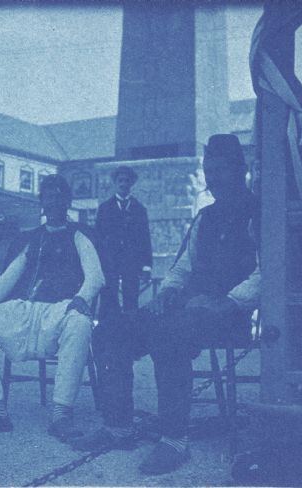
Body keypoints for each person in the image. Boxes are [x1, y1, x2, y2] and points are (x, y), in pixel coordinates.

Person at [72, 134, 260, 475]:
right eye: (208, 171)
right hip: (185, 310)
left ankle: (174, 439)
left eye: (220, 170)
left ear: (240, 170)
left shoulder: (258, 212)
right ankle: (118, 427)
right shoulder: (206, 216)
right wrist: (165, 293)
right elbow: (181, 269)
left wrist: (228, 302)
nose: (213, 179)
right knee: (111, 329)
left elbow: (268, 274)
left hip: (230, 315)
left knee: (169, 335)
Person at [0, 174, 104, 442]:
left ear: (67, 202)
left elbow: (95, 276)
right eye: (48, 197)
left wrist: (81, 299)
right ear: (42, 203)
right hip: (27, 310)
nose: (53, 203)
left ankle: (61, 414)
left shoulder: (79, 236)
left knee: (81, 323)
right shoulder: (33, 238)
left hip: (62, 310)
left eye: (59, 197)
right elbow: (13, 273)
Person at [95, 165, 152, 317]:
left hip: (131, 263)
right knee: (108, 299)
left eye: (127, 181)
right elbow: (98, 238)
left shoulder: (139, 209)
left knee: (131, 301)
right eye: (120, 180)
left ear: (131, 183)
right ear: (115, 182)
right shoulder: (104, 208)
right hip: (110, 262)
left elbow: (145, 239)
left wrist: (146, 267)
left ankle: (130, 336)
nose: (123, 184)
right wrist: (98, 263)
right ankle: (108, 334)